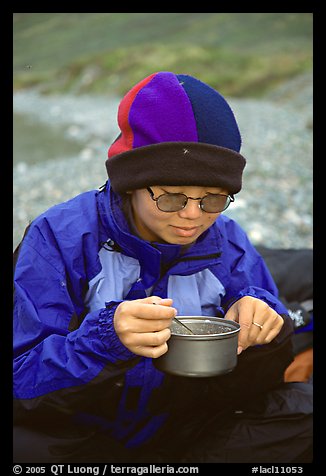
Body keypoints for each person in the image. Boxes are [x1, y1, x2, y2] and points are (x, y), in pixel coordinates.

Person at [13, 71, 313, 463]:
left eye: (213, 198)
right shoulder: (59, 238)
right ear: (133, 183)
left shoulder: (228, 240)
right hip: (79, 433)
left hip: (186, 423)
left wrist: (265, 324)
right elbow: (20, 382)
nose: (192, 216)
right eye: (172, 198)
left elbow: (256, 382)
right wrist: (103, 341)